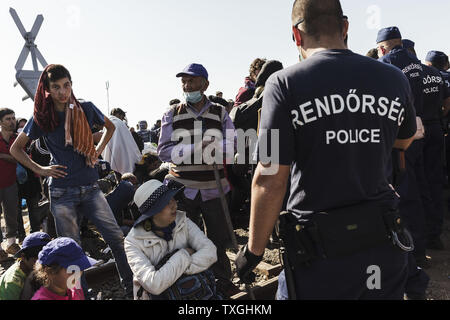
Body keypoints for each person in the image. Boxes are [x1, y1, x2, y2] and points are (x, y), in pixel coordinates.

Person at [236, 0, 417, 300]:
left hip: (318, 256)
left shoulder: (281, 85)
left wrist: (253, 251)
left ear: (296, 35)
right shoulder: (393, 78)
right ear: (345, 27)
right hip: (382, 243)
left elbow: (268, 177)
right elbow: (405, 139)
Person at [10, 64, 133, 297]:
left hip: (90, 187)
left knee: (117, 239)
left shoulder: (84, 108)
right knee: (71, 251)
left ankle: (132, 288)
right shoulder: (42, 117)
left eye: (66, 85)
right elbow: (17, 149)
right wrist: (41, 169)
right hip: (61, 193)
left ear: (71, 84)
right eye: (55, 87)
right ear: (46, 90)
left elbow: (110, 127)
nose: (62, 92)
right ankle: (81, 296)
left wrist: (97, 151)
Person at [157, 63, 238, 296]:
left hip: (214, 189)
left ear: (205, 84)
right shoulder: (171, 113)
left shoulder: (221, 113)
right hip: (183, 191)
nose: (187, 85)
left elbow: (232, 146)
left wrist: (216, 146)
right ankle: (193, 286)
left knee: (217, 241)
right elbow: (163, 151)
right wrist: (195, 148)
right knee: (185, 242)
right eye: (184, 81)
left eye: (191, 81)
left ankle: (222, 281)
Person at [377, 27, 430, 270]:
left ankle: (406, 253)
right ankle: (422, 246)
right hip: (421, 132)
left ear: (381, 47)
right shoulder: (417, 63)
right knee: (419, 189)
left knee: (402, 194)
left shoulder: (387, 64)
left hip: (400, 138)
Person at [124, 180, 217, 300]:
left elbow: (210, 252)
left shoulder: (183, 221)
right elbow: (154, 285)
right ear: (153, 212)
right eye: (167, 202)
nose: (174, 205)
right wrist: (184, 254)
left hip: (193, 291)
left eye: (173, 199)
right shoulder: (133, 242)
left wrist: (171, 274)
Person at [32, 237, 99, 300]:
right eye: (72, 270)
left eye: (80, 268)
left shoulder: (74, 287)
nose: (78, 275)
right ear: (50, 270)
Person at [0, 232, 51, 300]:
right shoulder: (13, 282)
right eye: (37, 259)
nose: (43, 264)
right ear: (23, 256)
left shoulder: (38, 269)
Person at [0, 108, 21, 260]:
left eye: (13, 118)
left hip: (11, 182)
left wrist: (2, 155)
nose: (12, 121)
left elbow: (19, 158)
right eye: (8, 119)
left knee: (12, 213)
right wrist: (12, 156)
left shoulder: (18, 138)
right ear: (0, 122)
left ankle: (11, 244)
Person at [102, 108, 142, 175]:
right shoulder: (118, 123)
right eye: (122, 116)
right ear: (117, 114)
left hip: (111, 158)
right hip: (123, 156)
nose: (122, 119)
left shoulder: (107, 122)